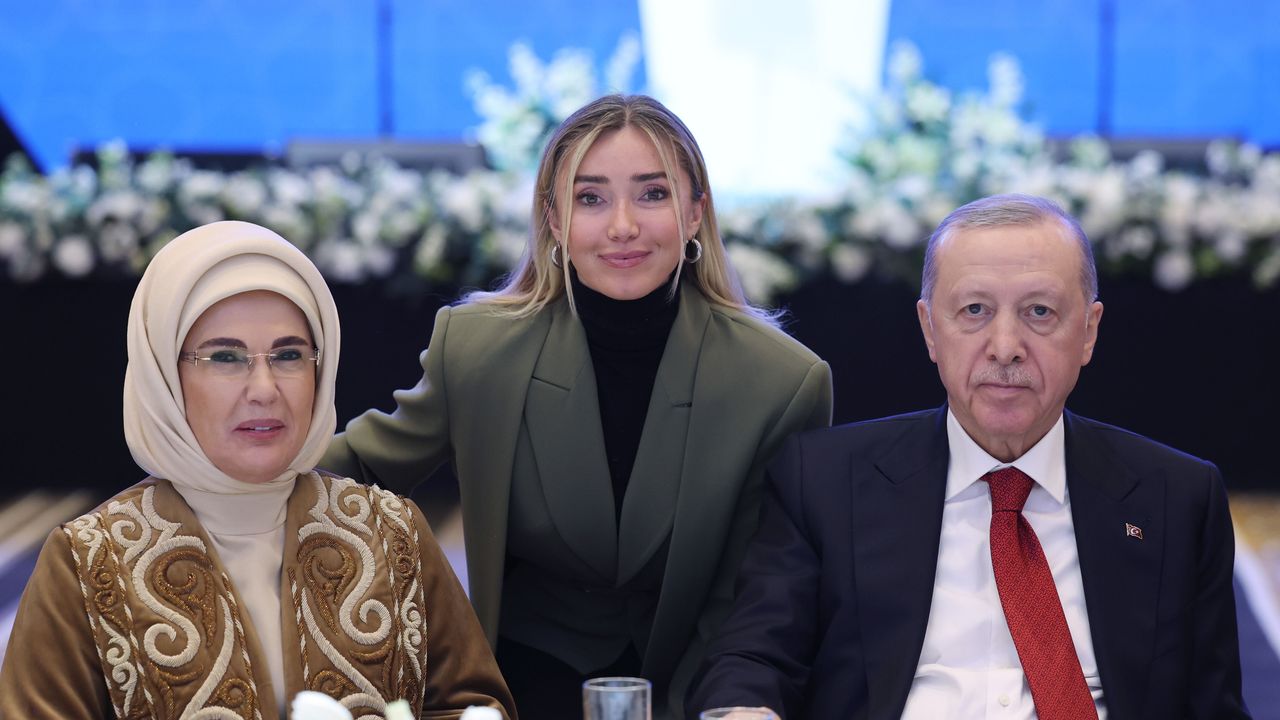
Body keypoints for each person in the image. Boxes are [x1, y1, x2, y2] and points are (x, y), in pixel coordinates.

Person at [322, 94, 833, 719]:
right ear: (554, 220)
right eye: (590, 198)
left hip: (699, 686)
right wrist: (226, 467)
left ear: (696, 212)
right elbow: (356, 470)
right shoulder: (479, 349)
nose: (622, 226)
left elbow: (759, 599)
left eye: (653, 194)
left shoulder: (782, 381)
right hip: (518, 685)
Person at [687, 194, 1251, 719]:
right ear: (930, 329)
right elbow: (754, 660)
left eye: (1039, 312)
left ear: (1088, 331)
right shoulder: (824, 482)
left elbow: (1212, 706)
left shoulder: (1175, 498)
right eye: (975, 309)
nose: (1005, 348)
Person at [0, 221, 515, 720]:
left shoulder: (391, 532)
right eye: (226, 357)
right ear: (164, 375)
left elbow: (473, 709)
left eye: (289, 355)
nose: (265, 389)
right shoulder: (89, 561)